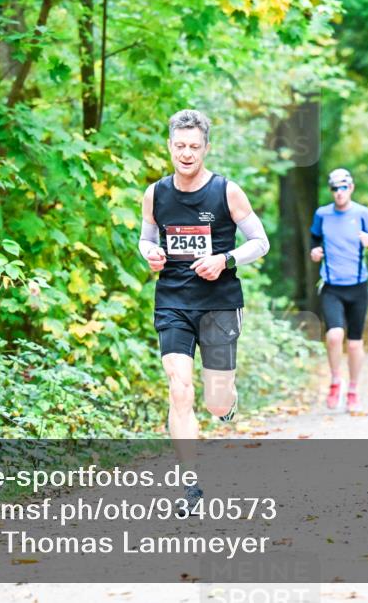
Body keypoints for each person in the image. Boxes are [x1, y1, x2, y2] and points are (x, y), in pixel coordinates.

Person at [138, 109, 270, 509]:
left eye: (195, 146)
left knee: (215, 401)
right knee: (179, 388)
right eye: (180, 146)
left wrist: (225, 260)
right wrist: (152, 253)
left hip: (219, 304)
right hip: (174, 301)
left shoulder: (227, 191)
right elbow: (144, 239)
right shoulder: (155, 193)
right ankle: (190, 488)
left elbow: (260, 241)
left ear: (206, 148)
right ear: (169, 146)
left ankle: (226, 402)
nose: (187, 153)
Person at [309, 168, 368, 412]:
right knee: (333, 335)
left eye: (343, 187)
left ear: (351, 188)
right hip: (332, 286)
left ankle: (353, 390)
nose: (339, 193)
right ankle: (335, 381)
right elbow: (314, 239)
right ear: (331, 191)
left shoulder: (362, 214)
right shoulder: (323, 214)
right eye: (334, 188)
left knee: (354, 344)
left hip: (358, 286)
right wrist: (315, 252)